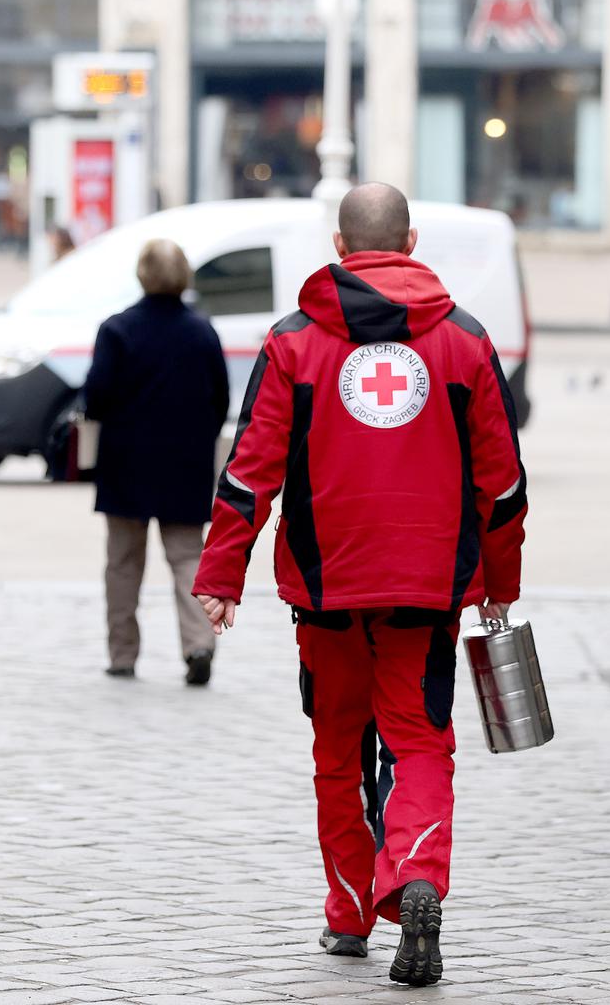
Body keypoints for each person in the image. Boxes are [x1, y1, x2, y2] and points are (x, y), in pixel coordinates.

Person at [192, 182, 527, 986]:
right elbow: (504, 483)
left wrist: (221, 573)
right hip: (425, 587)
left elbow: (251, 469)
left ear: (339, 246)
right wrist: (498, 582)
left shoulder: (294, 343)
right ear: (409, 241)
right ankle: (414, 874)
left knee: (338, 749)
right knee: (418, 741)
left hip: (324, 587)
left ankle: (347, 912)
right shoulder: (465, 343)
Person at [82, 240, 230, 684]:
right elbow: (220, 397)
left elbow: (95, 397)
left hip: (125, 461)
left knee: (123, 561)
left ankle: (122, 653)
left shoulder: (117, 329)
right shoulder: (202, 330)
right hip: (185, 461)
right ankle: (199, 644)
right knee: (187, 557)